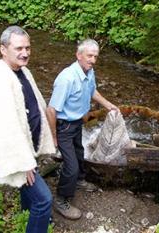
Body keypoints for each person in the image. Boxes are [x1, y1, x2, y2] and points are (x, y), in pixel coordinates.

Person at [0, 26, 56, 233]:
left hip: (28, 148)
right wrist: (23, 161)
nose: (25, 53)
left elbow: (36, 103)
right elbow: (1, 124)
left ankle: (27, 213)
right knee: (45, 200)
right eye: (18, 48)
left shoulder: (23, 71)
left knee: (31, 190)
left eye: (27, 48)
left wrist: (49, 132)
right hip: (19, 154)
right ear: (3, 49)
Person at [46, 39, 118, 220]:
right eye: (89, 56)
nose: (93, 60)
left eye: (95, 56)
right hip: (64, 126)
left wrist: (109, 105)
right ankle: (61, 199)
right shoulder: (67, 78)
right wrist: (53, 136)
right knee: (71, 166)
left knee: (80, 153)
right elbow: (51, 109)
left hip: (77, 123)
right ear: (79, 56)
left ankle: (79, 181)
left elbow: (92, 91)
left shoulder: (89, 71)